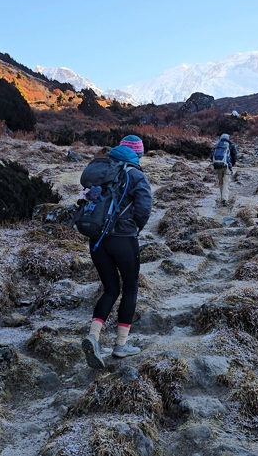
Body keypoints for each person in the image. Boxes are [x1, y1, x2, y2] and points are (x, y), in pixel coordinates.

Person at [81, 135, 153, 369]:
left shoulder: (102, 172)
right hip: (123, 240)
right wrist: (135, 228)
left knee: (111, 289)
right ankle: (121, 346)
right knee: (130, 288)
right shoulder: (137, 175)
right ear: (137, 155)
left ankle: (93, 336)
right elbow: (143, 209)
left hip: (97, 240)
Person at [213, 133, 238, 207]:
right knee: (226, 183)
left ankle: (222, 198)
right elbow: (234, 156)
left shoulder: (217, 145)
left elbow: (212, 155)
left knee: (221, 182)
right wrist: (231, 165)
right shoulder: (231, 145)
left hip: (218, 166)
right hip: (226, 166)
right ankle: (225, 200)